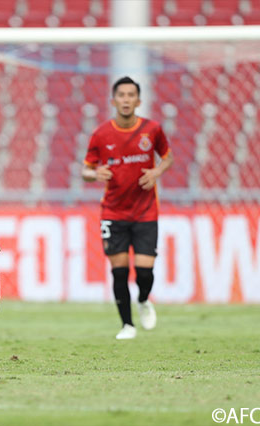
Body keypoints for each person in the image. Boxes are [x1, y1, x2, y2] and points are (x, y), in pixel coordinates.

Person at [82, 76, 173, 340]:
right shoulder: (101, 134)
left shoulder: (152, 129)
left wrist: (156, 172)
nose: (126, 99)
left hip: (146, 211)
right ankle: (127, 325)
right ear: (113, 101)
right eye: (121, 95)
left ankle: (143, 299)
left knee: (145, 271)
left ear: (138, 100)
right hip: (113, 212)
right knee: (119, 271)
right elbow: (85, 170)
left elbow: (168, 157)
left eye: (131, 95)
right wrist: (95, 174)